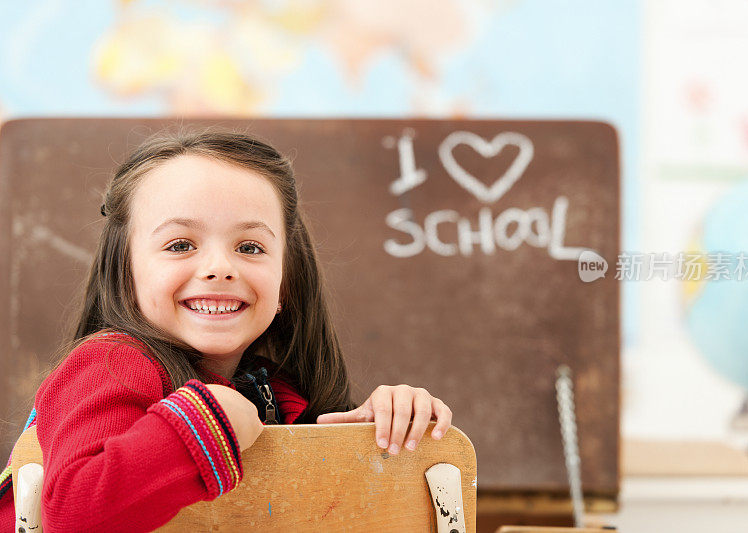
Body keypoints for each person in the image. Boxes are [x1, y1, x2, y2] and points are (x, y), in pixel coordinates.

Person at [0, 129, 453, 531]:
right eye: (180, 245)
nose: (219, 268)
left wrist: (374, 430)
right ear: (125, 270)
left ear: (286, 282)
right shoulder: (110, 363)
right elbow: (73, 516)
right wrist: (208, 425)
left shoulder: (278, 392)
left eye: (250, 247)